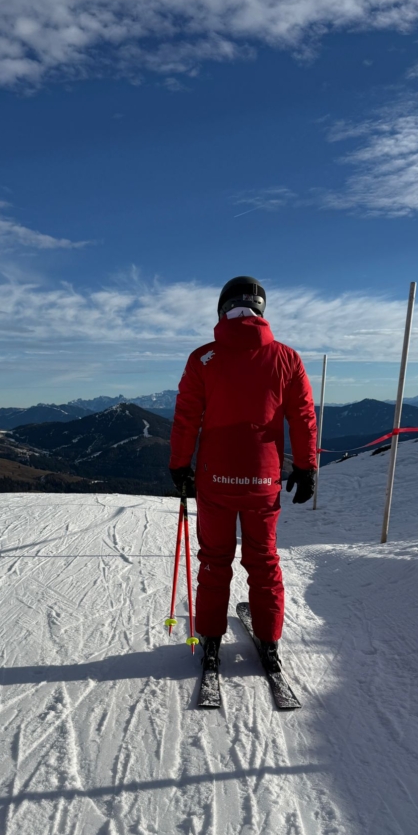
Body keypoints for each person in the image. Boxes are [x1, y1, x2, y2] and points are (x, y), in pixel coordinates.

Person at [169, 276, 317, 674]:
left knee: (215, 560)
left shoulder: (202, 358)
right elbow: (303, 417)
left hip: (215, 478)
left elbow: (186, 418)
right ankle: (269, 642)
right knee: (263, 560)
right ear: (262, 310)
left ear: (222, 309)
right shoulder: (287, 358)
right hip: (262, 480)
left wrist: (179, 465)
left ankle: (211, 639)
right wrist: (306, 468)